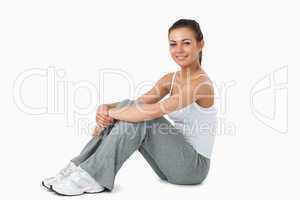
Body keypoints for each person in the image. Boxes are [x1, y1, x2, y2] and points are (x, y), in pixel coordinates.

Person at [42, 18, 218, 196]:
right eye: (173, 44)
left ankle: (93, 176)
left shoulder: (201, 85)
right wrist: (105, 108)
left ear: (200, 44)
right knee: (131, 107)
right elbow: (138, 103)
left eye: (186, 43)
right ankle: (79, 167)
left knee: (142, 117)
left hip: (193, 168)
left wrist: (113, 114)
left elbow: (154, 111)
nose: (178, 50)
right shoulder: (169, 79)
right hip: (168, 164)